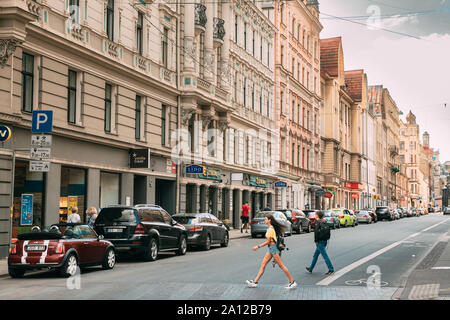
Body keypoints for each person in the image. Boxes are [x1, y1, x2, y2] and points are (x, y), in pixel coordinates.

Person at [246, 213, 297, 289]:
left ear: (269, 220)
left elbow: (268, 241)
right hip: (271, 249)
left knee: (281, 266)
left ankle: (292, 282)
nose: (265, 220)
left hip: (273, 248)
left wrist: (258, 246)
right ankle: (255, 282)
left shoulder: (270, 229)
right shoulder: (271, 228)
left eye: (266, 219)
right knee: (263, 265)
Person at [306, 210, 334, 275]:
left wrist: (316, 241)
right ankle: (311, 268)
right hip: (325, 240)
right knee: (315, 255)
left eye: (315, 214)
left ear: (318, 216)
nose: (315, 215)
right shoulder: (324, 221)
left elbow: (316, 232)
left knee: (325, 256)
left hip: (320, 242)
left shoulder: (317, 222)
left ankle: (331, 269)